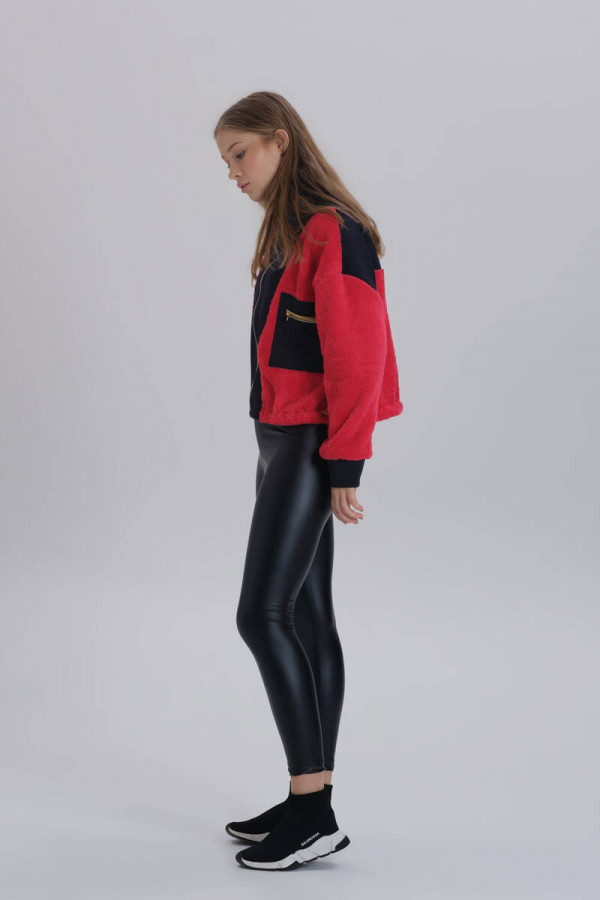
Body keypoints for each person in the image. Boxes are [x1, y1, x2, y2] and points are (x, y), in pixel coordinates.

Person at [214, 91, 403, 871]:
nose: (233, 173)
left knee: (261, 615)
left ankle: (313, 809)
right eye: (225, 161)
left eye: (240, 154)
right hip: (281, 439)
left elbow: (359, 356)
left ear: (280, 141)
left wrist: (344, 465)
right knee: (305, 612)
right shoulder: (292, 233)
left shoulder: (334, 230)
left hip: (309, 443)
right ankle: (308, 802)